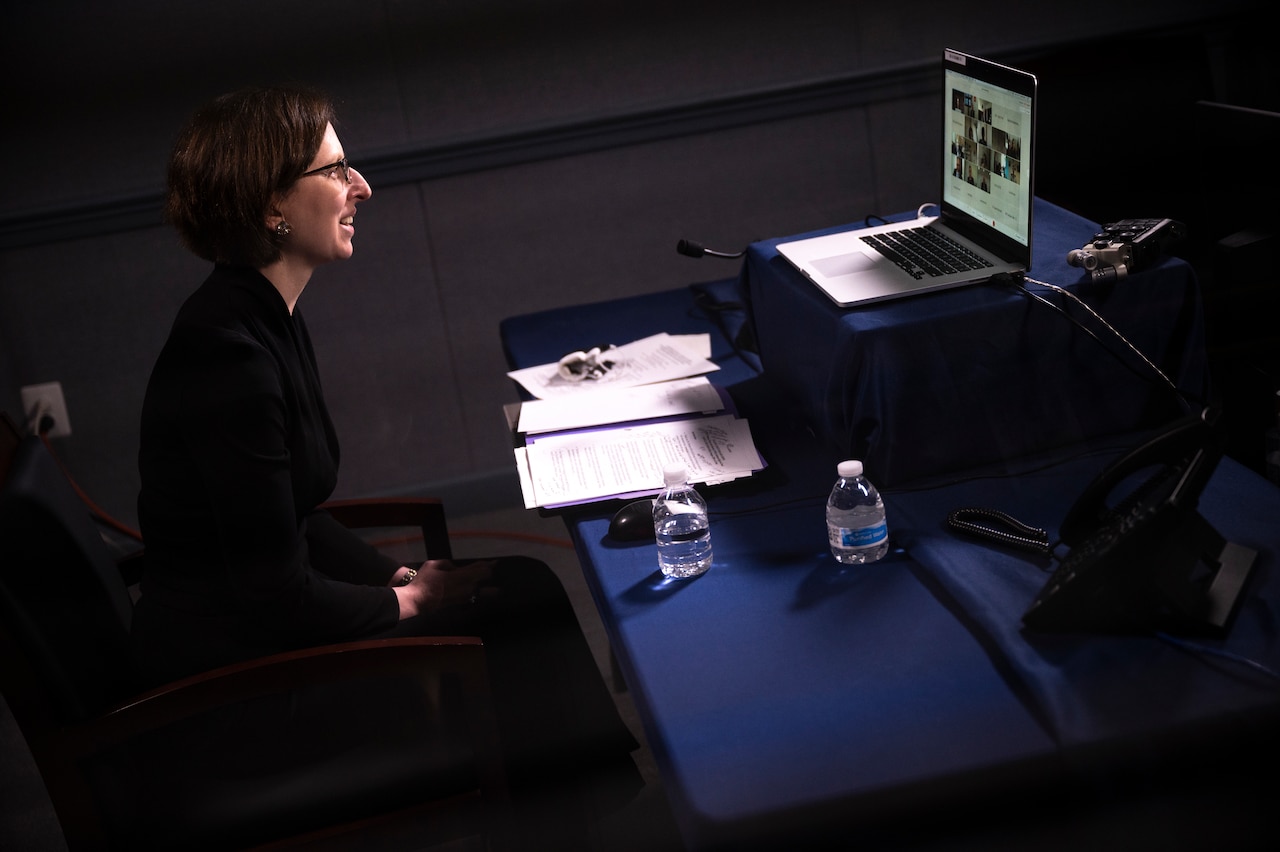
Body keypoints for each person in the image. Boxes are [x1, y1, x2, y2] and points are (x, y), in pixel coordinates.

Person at [133, 85, 638, 847]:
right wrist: (408, 606)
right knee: (513, 605)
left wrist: (394, 580)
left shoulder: (260, 315)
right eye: (336, 171)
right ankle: (570, 823)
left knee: (518, 590)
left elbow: (289, 520)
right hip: (237, 688)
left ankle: (577, 821)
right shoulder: (228, 355)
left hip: (257, 624)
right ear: (271, 203)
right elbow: (272, 590)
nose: (361, 187)